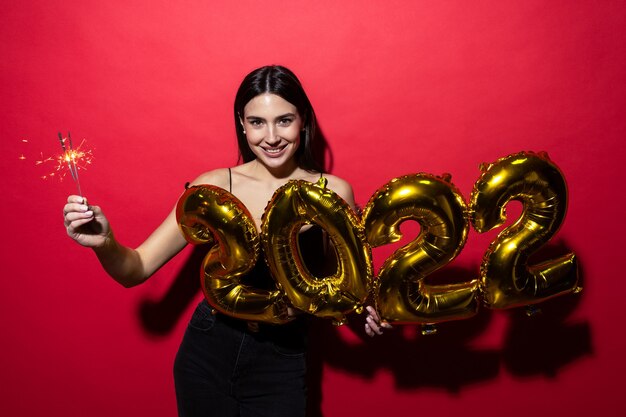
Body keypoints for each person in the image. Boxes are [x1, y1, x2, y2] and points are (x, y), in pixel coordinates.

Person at [62, 65, 390, 417]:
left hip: (282, 356)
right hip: (209, 350)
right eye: (257, 122)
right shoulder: (214, 187)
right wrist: (104, 241)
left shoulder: (334, 191)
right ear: (241, 123)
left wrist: (366, 307)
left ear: (303, 120)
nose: (271, 137)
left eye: (283, 120)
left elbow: (336, 281)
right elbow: (136, 268)